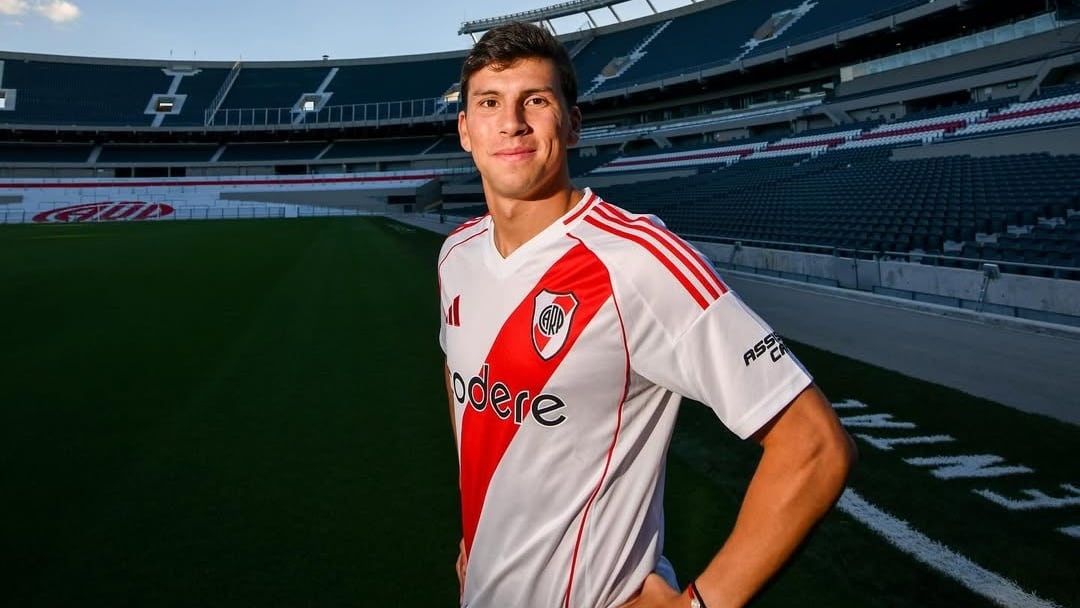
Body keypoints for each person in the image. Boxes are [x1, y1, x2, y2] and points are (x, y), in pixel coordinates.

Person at [437, 21, 855, 608]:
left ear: (573, 124)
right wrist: (480, 538)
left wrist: (698, 606)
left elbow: (814, 445)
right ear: (465, 130)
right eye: (489, 103)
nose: (512, 122)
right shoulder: (456, 255)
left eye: (536, 100)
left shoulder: (639, 262)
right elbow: (470, 397)